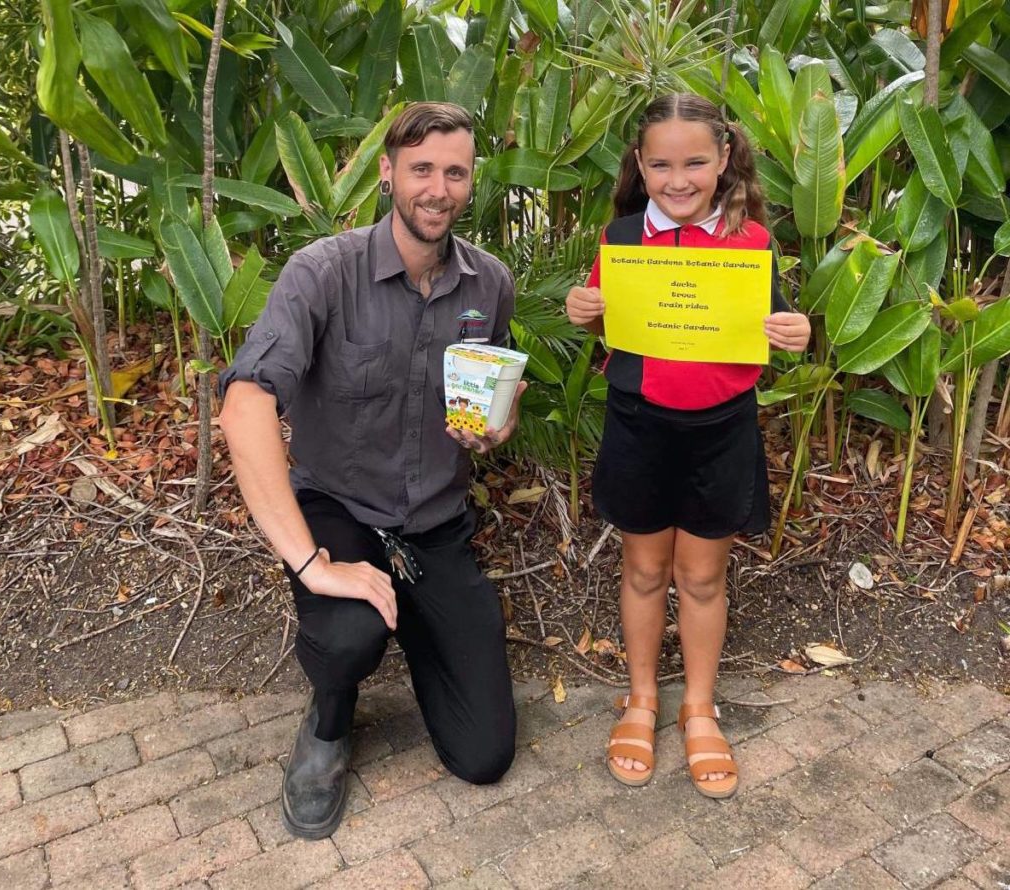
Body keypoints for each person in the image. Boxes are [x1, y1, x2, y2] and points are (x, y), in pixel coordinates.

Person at [219, 102, 525, 839]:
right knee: (349, 635)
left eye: (455, 172)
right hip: (341, 508)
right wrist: (312, 562)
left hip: (435, 523)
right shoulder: (323, 273)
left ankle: (412, 624)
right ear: (388, 173)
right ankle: (329, 719)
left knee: (483, 754)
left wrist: (498, 424)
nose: (438, 188)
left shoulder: (490, 283)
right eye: (421, 169)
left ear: (470, 182)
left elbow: (497, 389)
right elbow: (243, 405)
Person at [565, 93, 810, 798]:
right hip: (639, 423)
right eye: (662, 164)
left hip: (721, 429)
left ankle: (698, 706)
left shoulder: (751, 241)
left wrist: (793, 331)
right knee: (644, 571)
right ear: (640, 167)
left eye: (695, 162)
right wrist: (585, 312)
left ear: (724, 159)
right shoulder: (619, 239)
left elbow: (772, 322)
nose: (679, 179)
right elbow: (604, 321)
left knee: (702, 577)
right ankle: (642, 698)